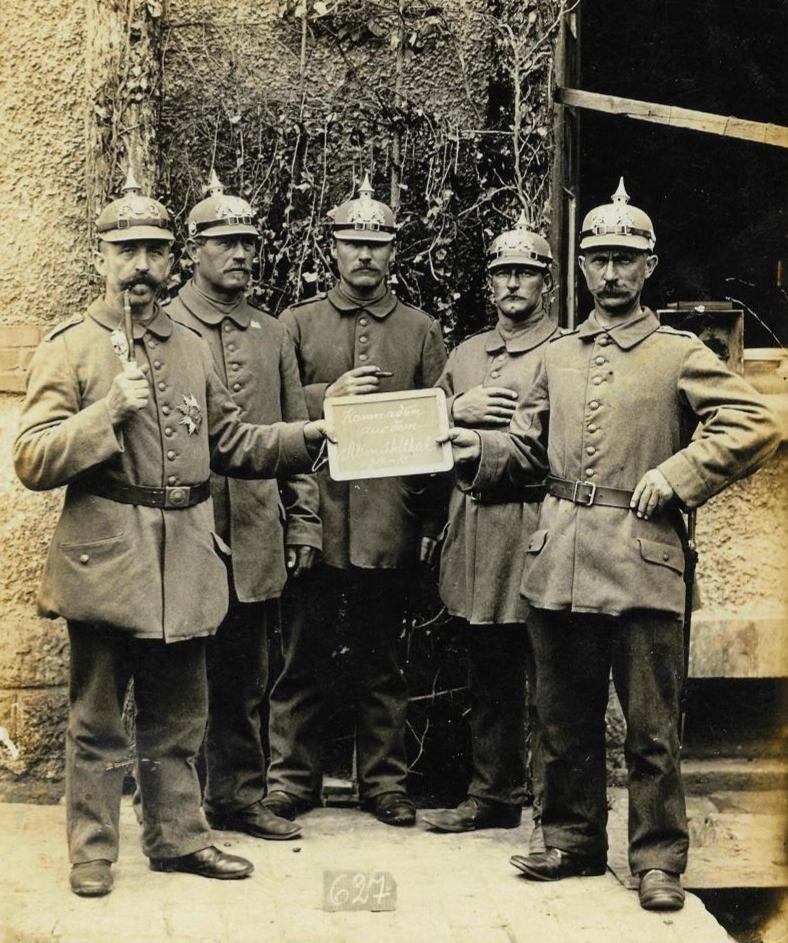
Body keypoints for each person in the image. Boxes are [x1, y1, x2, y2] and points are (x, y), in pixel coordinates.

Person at [445, 180, 780, 910]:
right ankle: (571, 838)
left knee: (652, 729)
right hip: (559, 560)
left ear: (650, 265)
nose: (611, 272)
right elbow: (528, 453)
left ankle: (658, 859)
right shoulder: (558, 356)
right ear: (582, 267)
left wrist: (678, 472)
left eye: (626, 259)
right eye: (598, 258)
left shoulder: (678, 353)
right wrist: (468, 450)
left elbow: (754, 423)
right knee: (563, 718)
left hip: (643, 560)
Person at [13, 172, 328, 897]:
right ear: (102, 257)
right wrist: (104, 418)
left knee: (181, 715)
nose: (143, 266)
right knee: (96, 720)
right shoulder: (73, 347)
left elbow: (234, 442)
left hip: (185, 557)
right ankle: (93, 852)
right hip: (105, 559)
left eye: (155, 250)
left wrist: (313, 432)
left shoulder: (188, 345)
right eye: (127, 250)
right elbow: (31, 456)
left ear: (172, 259)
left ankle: (179, 837)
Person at [263, 175, 447, 828]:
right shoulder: (296, 324)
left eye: (377, 244)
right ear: (332, 249)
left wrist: (428, 518)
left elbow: (439, 431)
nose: (365, 255)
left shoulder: (421, 330)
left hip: (385, 523)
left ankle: (384, 781)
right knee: (300, 657)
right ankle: (290, 779)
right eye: (352, 243)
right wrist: (326, 397)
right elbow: (274, 414)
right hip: (313, 519)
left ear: (394, 251)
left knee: (383, 662)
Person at [167, 172, 321, 842]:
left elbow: (293, 432)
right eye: (226, 242)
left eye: (249, 243)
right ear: (192, 250)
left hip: (257, 524)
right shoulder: (166, 326)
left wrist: (305, 516)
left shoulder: (270, 332)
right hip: (187, 526)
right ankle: (171, 804)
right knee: (177, 674)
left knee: (248, 675)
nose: (241, 254)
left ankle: (240, 797)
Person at [422, 213, 557, 834]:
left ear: (546, 282)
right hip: (471, 533)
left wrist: (483, 448)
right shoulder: (468, 354)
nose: (511, 285)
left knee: (550, 677)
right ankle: (492, 795)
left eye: (524, 272)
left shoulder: (564, 352)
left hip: (532, 529)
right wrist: (454, 408)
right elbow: (424, 440)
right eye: (502, 272)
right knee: (487, 671)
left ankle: (556, 805)